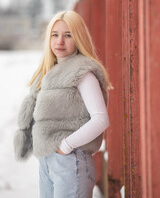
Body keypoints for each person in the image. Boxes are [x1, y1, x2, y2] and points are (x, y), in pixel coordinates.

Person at [13, 10, 113, 198]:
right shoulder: (49, 73)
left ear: (79, 38)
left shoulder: (83, 73)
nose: (60, 41)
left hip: (70, 161)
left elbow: (101, 119)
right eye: (55, 35)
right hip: (48, 161)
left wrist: (65, 146)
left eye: (68, 35)